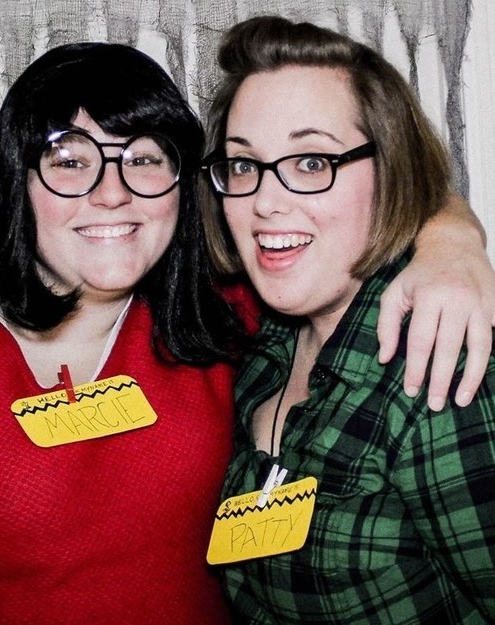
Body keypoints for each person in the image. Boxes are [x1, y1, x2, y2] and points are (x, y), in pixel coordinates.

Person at [0, 39, 491, 625]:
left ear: (184, 186)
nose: (111, 193)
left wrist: (450, 241)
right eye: (70, 160)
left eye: (142, 159)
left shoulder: (226, 315)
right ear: (16, 179)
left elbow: (363, 195)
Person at [201, 16, 495, 624]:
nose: (264, 201)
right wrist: (453, 232)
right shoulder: (264, 342)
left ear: (390, 172)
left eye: (311, 162)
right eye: (242, 164)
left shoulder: (437, 373)